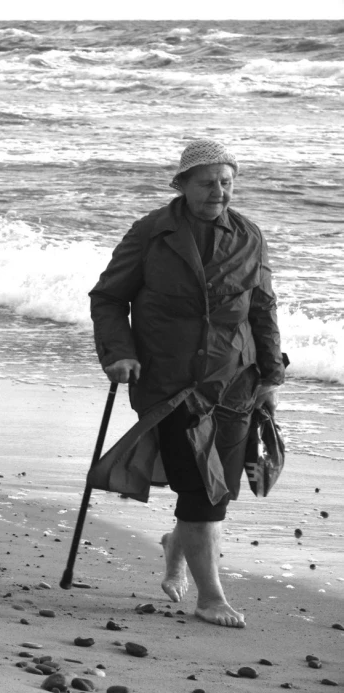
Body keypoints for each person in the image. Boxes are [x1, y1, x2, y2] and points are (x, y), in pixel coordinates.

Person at [89, 139, 285, 628]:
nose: (219, 192)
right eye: (208, 183)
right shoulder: (151, 233)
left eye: (227, 182)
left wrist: (272, 375)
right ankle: (211, 596)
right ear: (182, 185)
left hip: (235, 381)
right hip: (170, 382)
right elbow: (109, 299)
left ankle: (177, 546)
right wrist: (120, 354)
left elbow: (262, 308)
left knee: (218, 488)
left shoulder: (248, 235)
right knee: (203, 488)